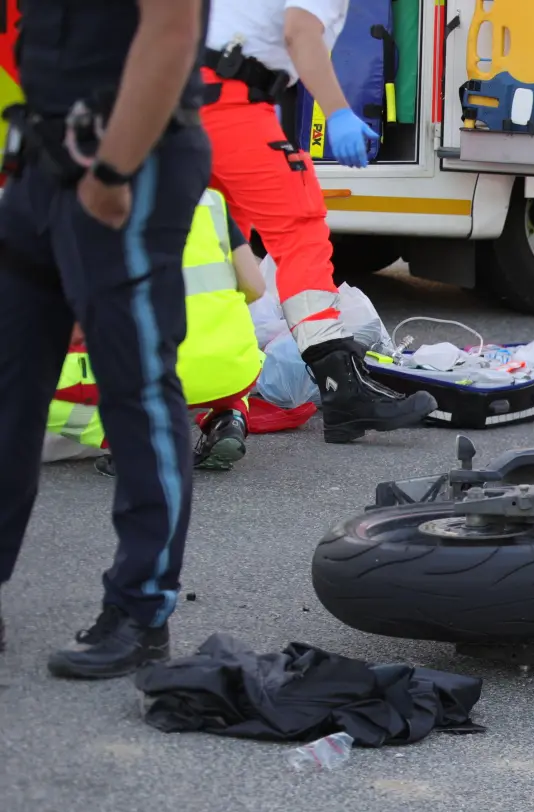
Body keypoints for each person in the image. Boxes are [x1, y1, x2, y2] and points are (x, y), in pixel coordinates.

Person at [0, 0, 213, 676]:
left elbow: (171, 29)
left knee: (137, 388)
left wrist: (114, 170)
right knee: (9, 386)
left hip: (127, 162)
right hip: (43, 162)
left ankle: (140, 607)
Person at [199, 0, 436, 444]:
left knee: (213, 250)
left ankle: (206, 398)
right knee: (298, 227)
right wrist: (339, 112)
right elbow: (300, 31)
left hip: (187, 100)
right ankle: (343, 390)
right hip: (230, 103)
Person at [50, 188, 268, 474]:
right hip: (229, 368)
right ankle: (230, 419)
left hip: (148, 374)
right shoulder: (210, 201)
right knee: (233, 356)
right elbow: (256, 286)